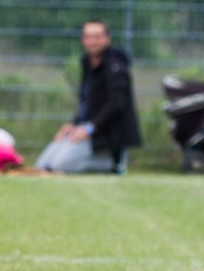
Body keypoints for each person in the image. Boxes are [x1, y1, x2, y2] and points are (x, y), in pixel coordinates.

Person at [35, 19, 141, 173]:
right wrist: (74, 125)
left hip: (108, 136)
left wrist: (89, 129)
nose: (92, 41)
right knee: (43, 165)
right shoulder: (87, 63)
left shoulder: (115, 65)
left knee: (59, 167)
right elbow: (88, 103)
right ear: (83, 40)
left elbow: (116, 104)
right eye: (88, 37)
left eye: (97, 37)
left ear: (107, 39)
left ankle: (114, 165)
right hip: (88, 131)